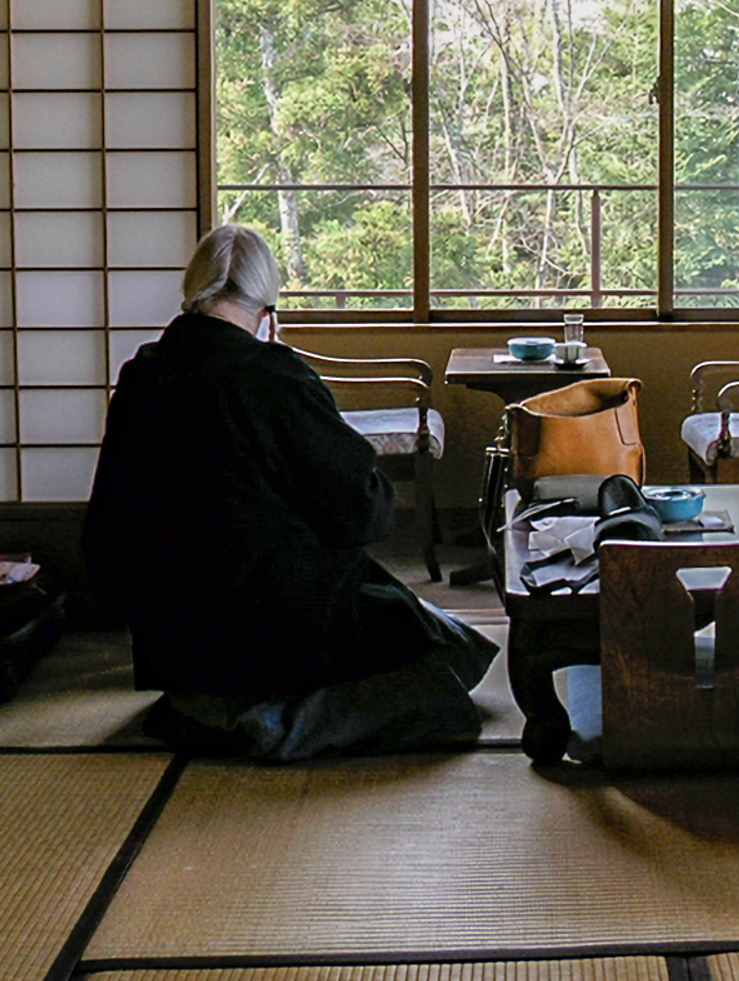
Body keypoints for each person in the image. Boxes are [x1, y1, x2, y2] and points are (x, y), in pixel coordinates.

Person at [81, 223, 496, 759]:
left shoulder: (142, 373)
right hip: (270, 617)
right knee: (438, 658)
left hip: (168, 630)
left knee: (427, 631)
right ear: (266, 304)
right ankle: (271, 723)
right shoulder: (270, 374)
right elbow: (359, 507)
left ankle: (210, 704)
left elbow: (109, 517)